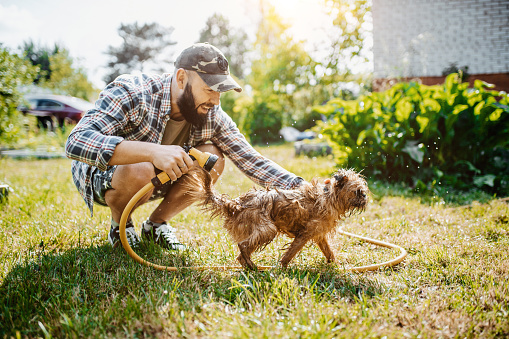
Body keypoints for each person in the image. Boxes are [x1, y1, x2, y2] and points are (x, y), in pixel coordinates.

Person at [65, 43, 304, 250]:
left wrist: (303, 189)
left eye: (220, 92)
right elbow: (76, 141)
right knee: (141, 166)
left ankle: (156, 225)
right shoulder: (133, 92)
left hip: (158, 179)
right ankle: (120, 226)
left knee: (213, 158)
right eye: (209, 89)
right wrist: (152, 151)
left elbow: (251, 159)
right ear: (181, 78)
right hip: (104, 177)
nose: (215, 100)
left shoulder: (212, 114)